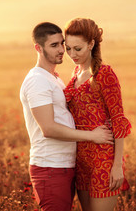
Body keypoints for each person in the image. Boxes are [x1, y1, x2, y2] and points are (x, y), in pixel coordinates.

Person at [20, 22, 114, 211]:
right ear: (38, 48)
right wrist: (92, 135)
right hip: (50, 168)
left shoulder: (53, 77)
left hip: (64, 166)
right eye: (54, 45)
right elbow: (49, 128)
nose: (62, 50)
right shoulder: (37, 80)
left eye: (62, 43)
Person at [63, 18, 132, 211]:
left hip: (103, 159)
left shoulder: (104, 73)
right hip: (80, 159)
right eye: (68, 48)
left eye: (77, 48)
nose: (71, 54)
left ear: (91, 44)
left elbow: (119, 121)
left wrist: (117, 166)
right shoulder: (75, 73)